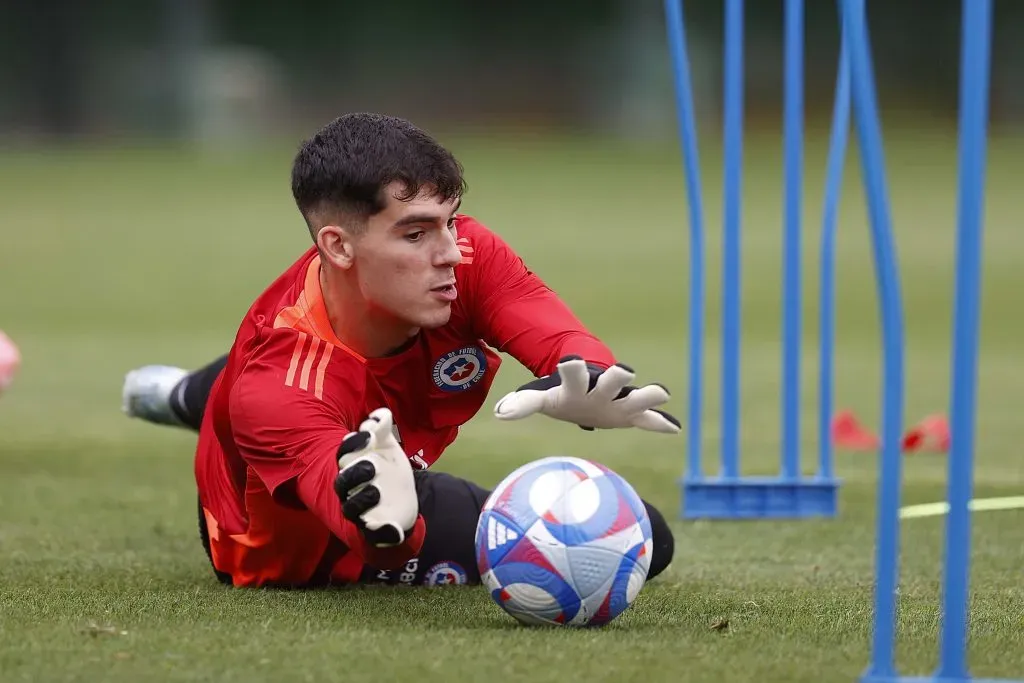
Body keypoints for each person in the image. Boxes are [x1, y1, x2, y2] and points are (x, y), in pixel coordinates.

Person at [122, 113, 681, 589]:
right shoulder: (281, 385)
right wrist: (388, 519)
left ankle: (178, 394)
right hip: (292, 550)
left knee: (648, 538)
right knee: (637, 541)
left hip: (315, 384)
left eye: (450, 221)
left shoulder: (461, 257)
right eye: (416, 234)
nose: (451, 253)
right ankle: (194, 398)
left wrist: (589, 373)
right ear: (337, 245)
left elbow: (551, 330)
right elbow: (370, 534)